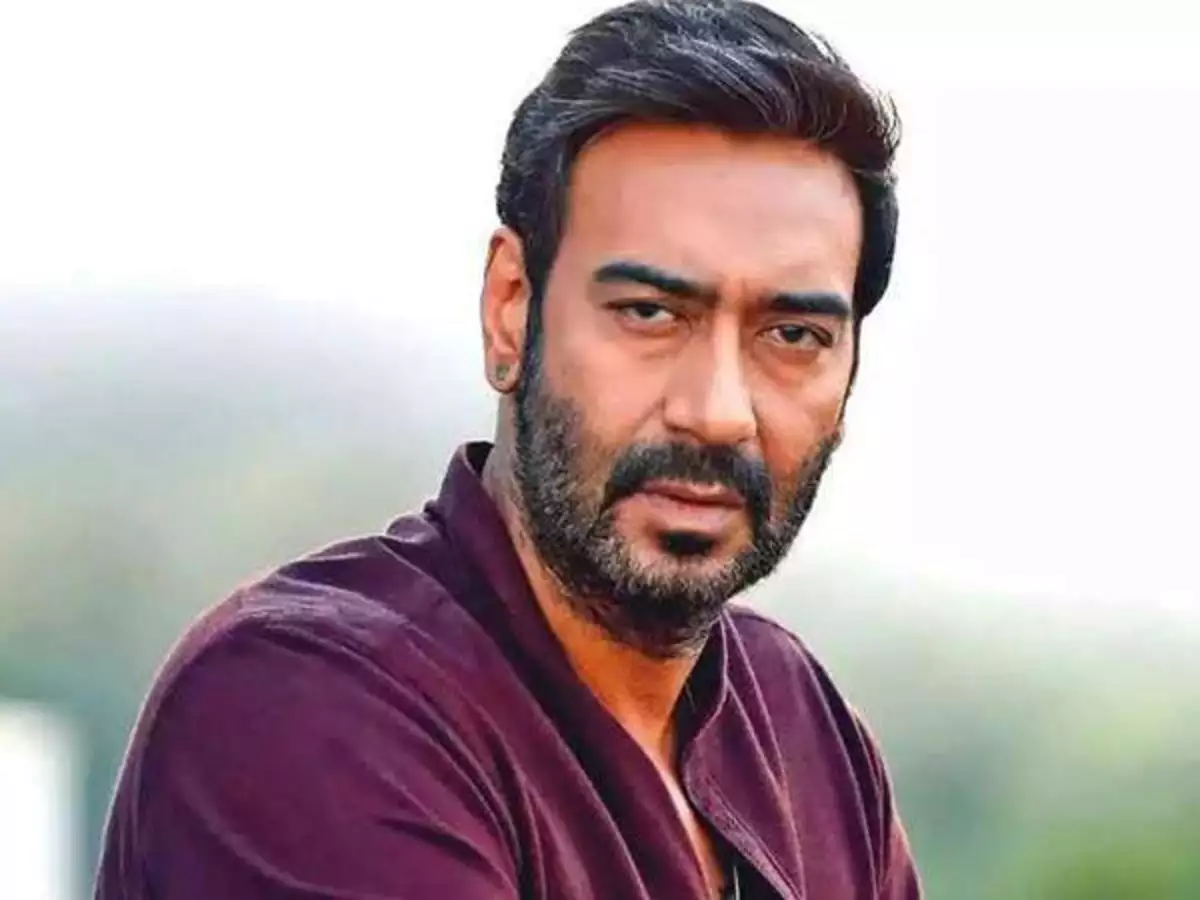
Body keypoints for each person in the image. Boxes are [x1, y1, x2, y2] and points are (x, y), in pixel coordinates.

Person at [95, 1, 920, 897]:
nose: (717, 413)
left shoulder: (804, 732)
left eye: (793, 335)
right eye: (649, 313)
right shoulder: (303, 704)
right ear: (511, 308)